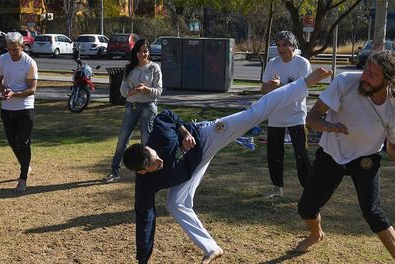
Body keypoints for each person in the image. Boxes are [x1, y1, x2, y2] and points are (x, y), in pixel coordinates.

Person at [122, 68, 333, 263]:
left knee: (254, 114)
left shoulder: (159, 138)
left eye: (155, 155)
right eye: (154, 165)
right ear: (142, 172)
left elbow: (167, 115)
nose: (159, 160)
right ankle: (211, 248)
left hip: (206, 136)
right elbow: (145, 220)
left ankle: (306, 82)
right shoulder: (145, 186)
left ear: (148, 147)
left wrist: (184, 132)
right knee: (175, 204)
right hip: (190, 167)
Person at [294, 51, 395, 264]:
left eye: (373, 74)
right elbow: (312, 117)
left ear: (388, 80)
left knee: (373, 212)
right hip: (332, 154)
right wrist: (328, 126)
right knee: (306, 208)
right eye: (366, 68)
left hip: (365, 159)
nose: (365, 76)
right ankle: (316, 235)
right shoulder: (345, 82)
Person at [261, 30, 312, 198]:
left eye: (285, 45)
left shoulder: (302, 63)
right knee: (274, 154)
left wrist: (278, 86)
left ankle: (308, 189)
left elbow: (299, 91)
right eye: (278, 45)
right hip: (275, 115)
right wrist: (271, 86)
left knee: (301, 154)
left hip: (296, 116)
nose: (281, 48)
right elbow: (264, 90)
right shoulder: (272, 63)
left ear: (293, 46)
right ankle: (277, 188)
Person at [103, 39, 162, 183]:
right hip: (131, 106)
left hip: (148, 106)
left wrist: (146, 89)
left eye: (146, 51)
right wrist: (132, 92)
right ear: (135, 53)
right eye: (141, 51)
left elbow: (159, 91)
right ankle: (114, 171)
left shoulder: (154, 68)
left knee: (146, 141)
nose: (144, 54)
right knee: (122, 140)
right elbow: (123, 91)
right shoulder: (129, 68)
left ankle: (147, 172)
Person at [0, 32, 38, 192]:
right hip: (7, 108)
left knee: (24, 143)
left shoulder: (29, 63)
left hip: (25, 107)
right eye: (10, 49)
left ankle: (23, 179)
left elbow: (32, 90)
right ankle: (26, 165)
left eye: (15, 49)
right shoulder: (2, 59)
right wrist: (4, 90)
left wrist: (15, 94)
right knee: (13, 142)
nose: (12, 52)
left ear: (22, 46)